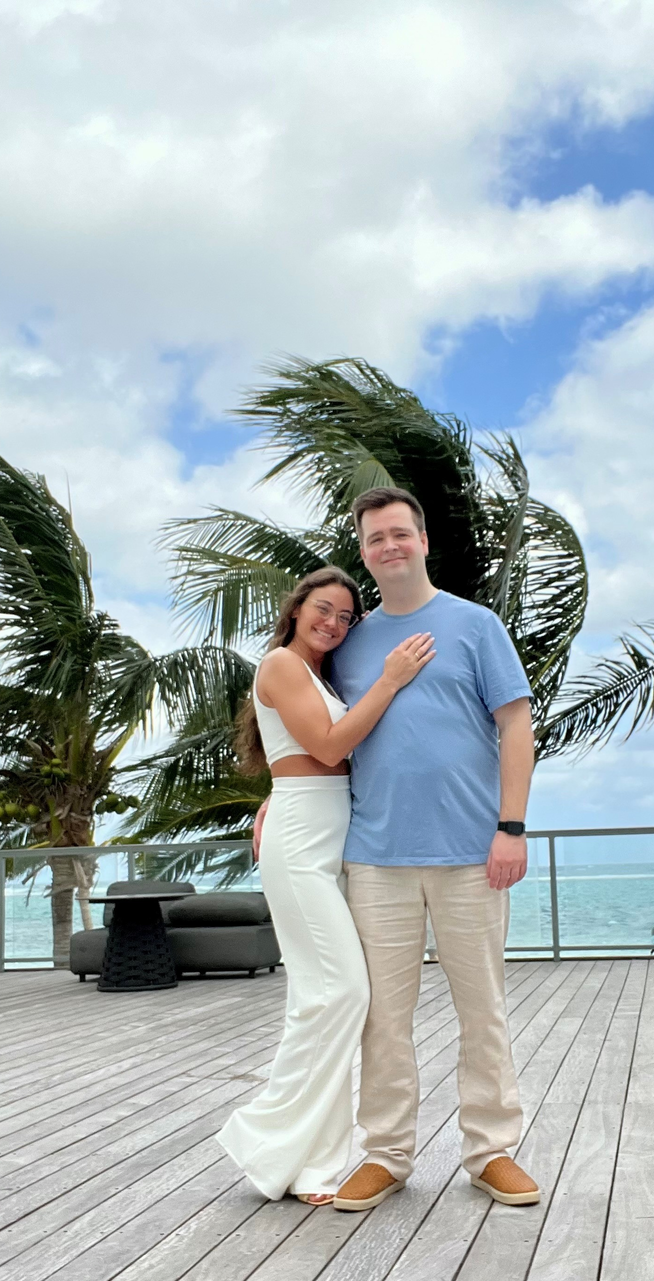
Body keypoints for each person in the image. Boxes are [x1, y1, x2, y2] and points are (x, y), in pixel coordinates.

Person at [327, 486, 540, 1211]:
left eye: (399, 533)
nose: (388, 546)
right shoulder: (349, 644)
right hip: (376, 856)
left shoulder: (475, 626)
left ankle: (491, 1151)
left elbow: (516, 727)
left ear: (422, 541)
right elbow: (323, 738)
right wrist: (274, 799)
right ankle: (385, 1155)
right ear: (363, 552)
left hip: (470, 854)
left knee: (483, 1008)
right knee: (382, 1016)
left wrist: (510, 827)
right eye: (374, 538)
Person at [216, 566, 434, 1206]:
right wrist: (392, 678)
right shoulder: (282, 663)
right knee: (341, 992)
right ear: (298, 607)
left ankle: (311, 1164)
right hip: (303, 842)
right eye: (324, 609)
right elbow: (332, 745)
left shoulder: (319, 672)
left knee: (322, 999)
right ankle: (264, 1135)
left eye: (346, 616)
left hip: (329, 836)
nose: (333, 623)